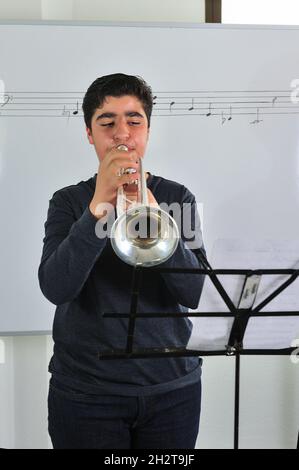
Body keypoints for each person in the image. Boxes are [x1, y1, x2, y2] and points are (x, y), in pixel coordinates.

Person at [38, 73, 206, 449]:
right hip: (86, 393)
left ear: (147, 129)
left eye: (134, 120)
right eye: (107, 121)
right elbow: (56, 287)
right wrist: (97, 207)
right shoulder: (66, 202)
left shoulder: (178, 198)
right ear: (89, 133)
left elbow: (196, 291)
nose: (122, 133)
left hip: (173, 388)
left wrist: (152, 215)